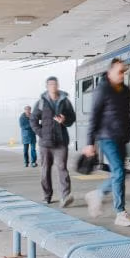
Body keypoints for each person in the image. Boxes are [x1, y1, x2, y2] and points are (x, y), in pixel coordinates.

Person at [84, 59, 130, 227]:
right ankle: (120, 212)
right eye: (120, 72)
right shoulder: (102, 90)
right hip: (106, 138)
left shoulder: (125, 90)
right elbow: (94, 117)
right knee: (119, 172)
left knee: (120, 174)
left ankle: (98, 194)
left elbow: (126, 114)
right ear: (110, 72)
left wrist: (128, 132)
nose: (122, 75)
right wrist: (90, 143)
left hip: (121, 137)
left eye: (124, 72)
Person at [30, 76, 76, 207]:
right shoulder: (40, 103)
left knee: (62, 168)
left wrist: (64, 121)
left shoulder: (65, 101)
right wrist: (42, 134)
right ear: (47, 87)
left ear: (58, 85)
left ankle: (65, 196)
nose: (53, 86)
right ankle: (47, 196)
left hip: (61, 142)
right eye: (50, 84)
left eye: (55, 84)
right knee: (45, 170)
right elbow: (33, 121)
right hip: (45, 143)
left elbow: (72, 118)